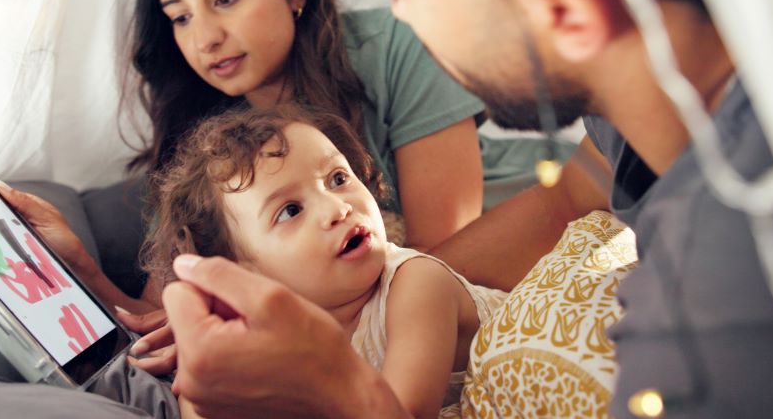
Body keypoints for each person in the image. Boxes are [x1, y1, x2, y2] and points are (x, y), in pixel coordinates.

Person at [156, 0, 773, 418]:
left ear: (563, 8)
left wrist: (334, 387)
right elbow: (571, 194)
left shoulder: (725, 319)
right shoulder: (644, 115)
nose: (398, 16)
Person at [1, 0, 570, 319]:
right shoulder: (207, 144)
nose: (205, 39)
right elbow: (159, 320)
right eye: (181, 17)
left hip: (532, 241)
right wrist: (80, 266)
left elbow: (435, 259)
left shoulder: (396, 46)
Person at [144, 105, 505, 418]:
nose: (337, 207)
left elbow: (403, 412)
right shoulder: (272, 334)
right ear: (240, 273)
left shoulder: (418, 284)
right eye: (291, 211)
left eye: (338, 178)